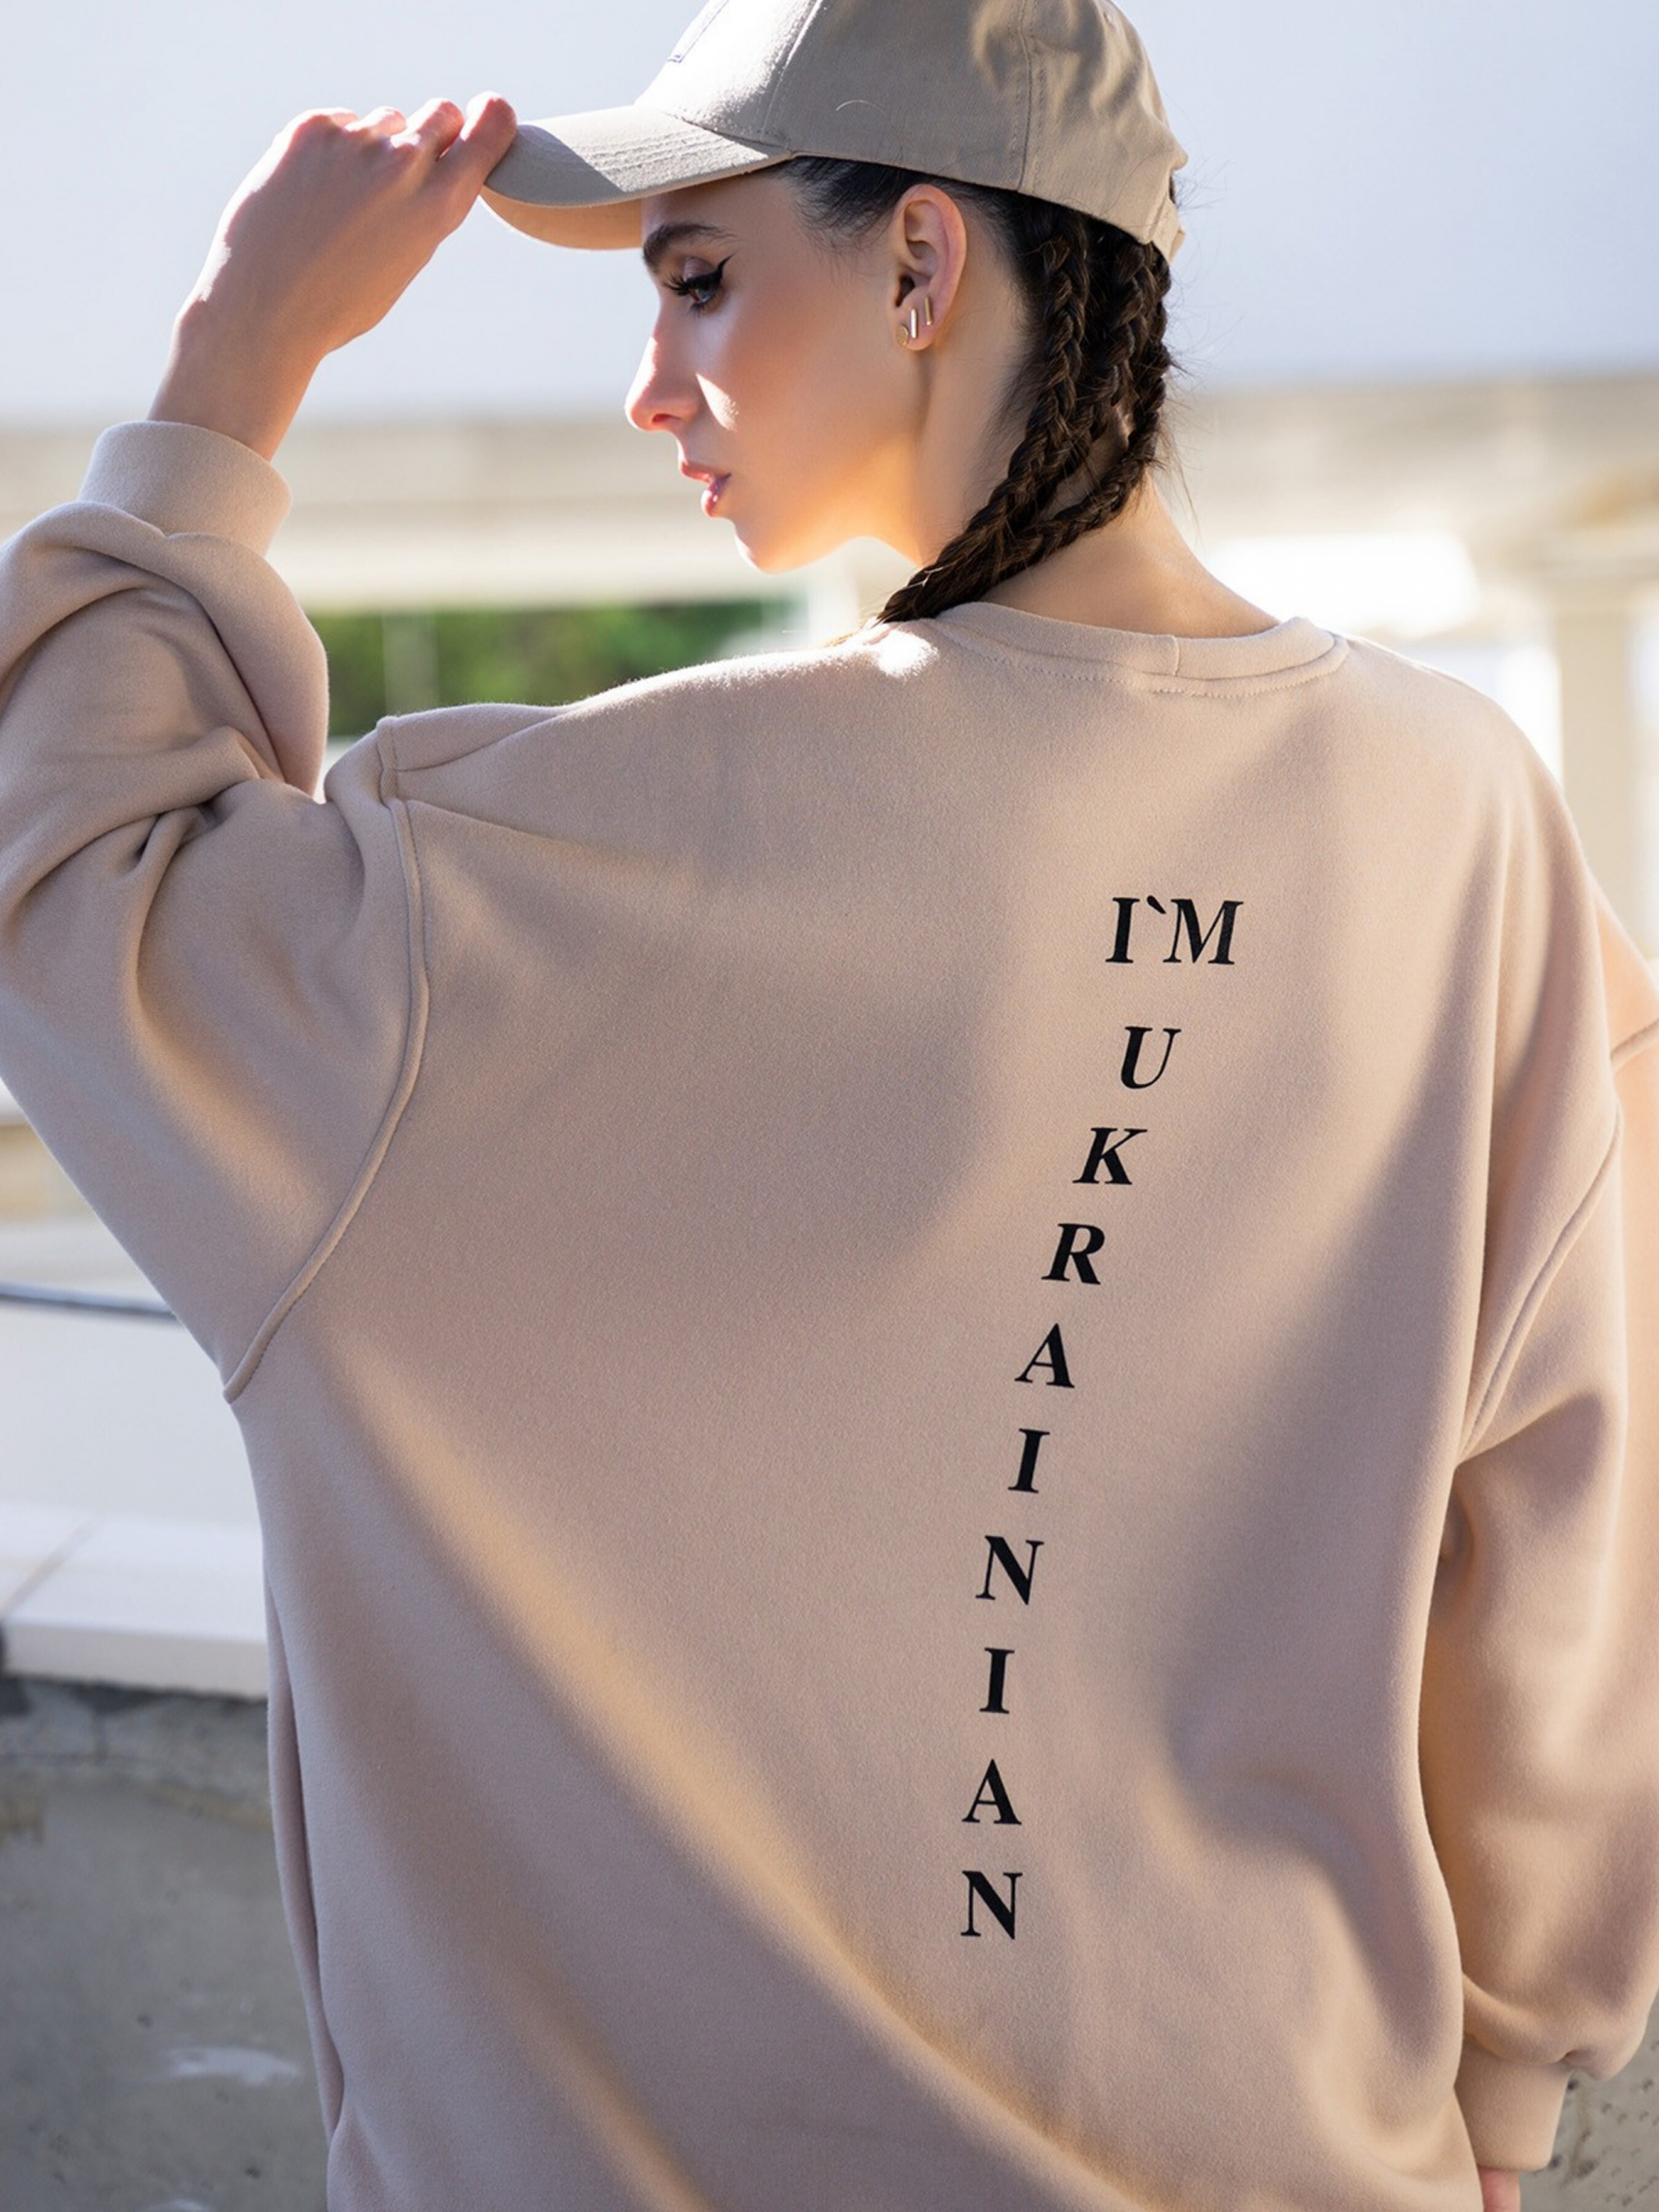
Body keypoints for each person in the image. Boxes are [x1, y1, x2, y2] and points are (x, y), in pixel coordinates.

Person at [0, 2, 1654, 2206]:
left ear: (921, 262)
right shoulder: (1464, 820)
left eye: (695, 279)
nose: (646, 379)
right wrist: (1506, 2090)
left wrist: (234, 363)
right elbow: (1566, 1535)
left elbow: (75, 891)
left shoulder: (571, 856)